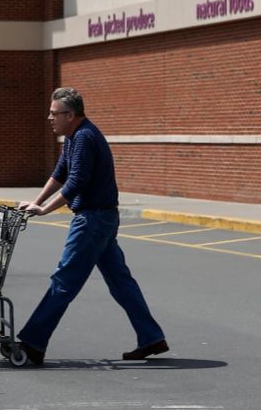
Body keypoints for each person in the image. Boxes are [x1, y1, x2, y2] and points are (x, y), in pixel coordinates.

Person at [17, 87, 168, 365]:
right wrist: (35, 202)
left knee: (64, 281)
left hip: (93, 219)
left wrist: (46, 210)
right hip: (101, 218)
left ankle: (32, 343)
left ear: (70, 114)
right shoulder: (73, 137)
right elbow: (60, 174)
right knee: (121, 282)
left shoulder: (86, 137)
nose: (49, 118)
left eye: (53, 114)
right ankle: (151, 337)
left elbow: (77, 182)